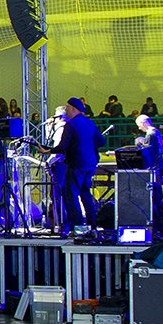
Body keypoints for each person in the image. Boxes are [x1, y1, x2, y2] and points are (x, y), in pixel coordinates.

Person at [52, 98, 101, 232]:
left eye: (67, 107)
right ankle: (92, 225)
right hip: (90, 164)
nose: (66, 109)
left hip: (76, 164)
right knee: (85, 193)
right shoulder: (89, 122)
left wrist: (48, 151)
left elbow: (63, 147)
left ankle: (78, 226)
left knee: (71, 194)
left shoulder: (71, 125)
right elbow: (100, 141)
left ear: (73, 108)